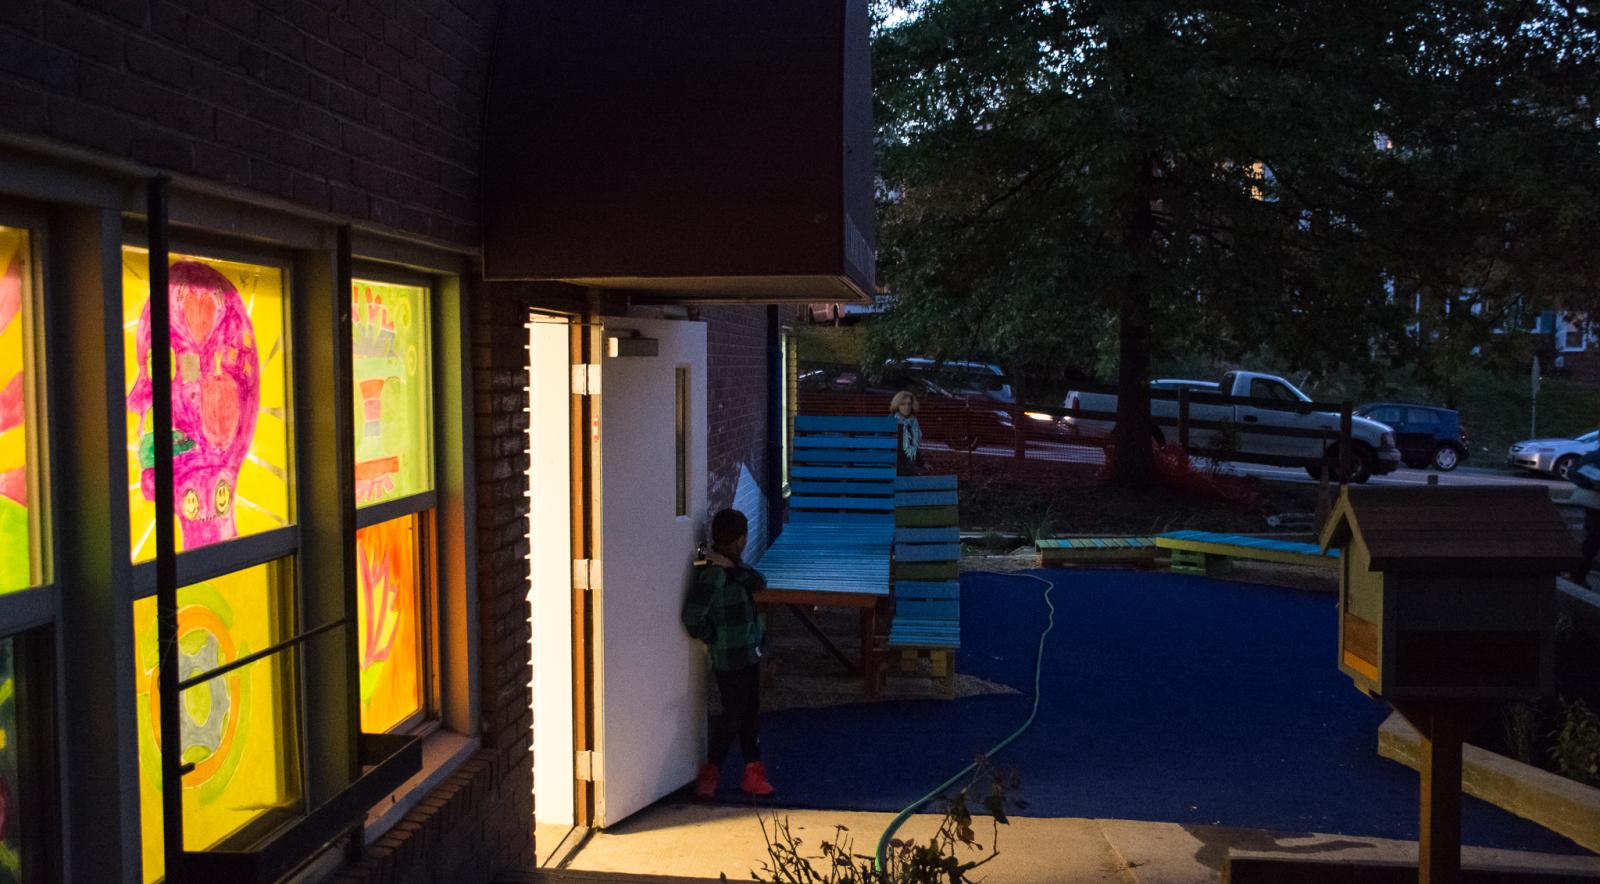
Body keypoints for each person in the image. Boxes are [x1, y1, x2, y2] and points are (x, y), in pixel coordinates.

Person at [681, 508, 776, 799]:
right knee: (733, 713)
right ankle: (711, 772)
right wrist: (714, 637)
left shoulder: (735, 569)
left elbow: (760, 583)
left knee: (749, 712)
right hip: (728, 656)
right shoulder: (713, 574)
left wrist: (733, 566)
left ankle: (753, 771)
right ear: (740, 539)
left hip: (749, 652)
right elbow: (692, 617)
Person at [1569, 444, 1600, 586]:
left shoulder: (1591, 457)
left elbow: (1573, 472)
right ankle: (1578, 574)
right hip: (1595, 505)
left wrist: (1590, 484)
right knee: (1592, 542)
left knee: (1592, 541)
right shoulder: (1593, 457)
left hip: (1593, 505)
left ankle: (1577, 574)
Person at [890, 389, 923, 474]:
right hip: (893, 464)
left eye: (909, 404)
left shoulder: (913, 422)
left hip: (908, 465)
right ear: (897, 405)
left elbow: (914, 445)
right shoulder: (891, 421)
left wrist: (922, 462)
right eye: (903, 404)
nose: (907, 407)